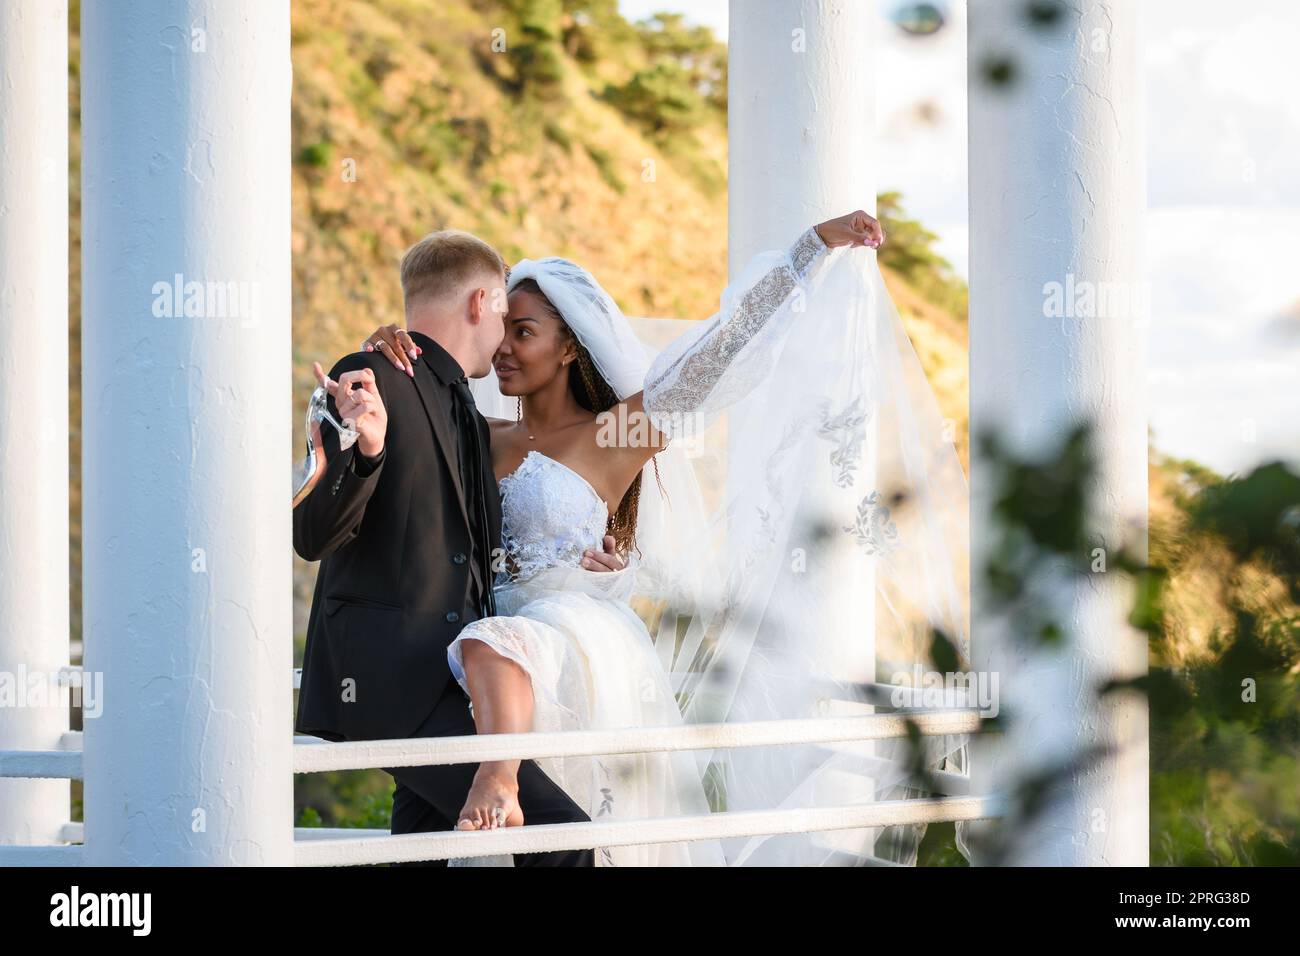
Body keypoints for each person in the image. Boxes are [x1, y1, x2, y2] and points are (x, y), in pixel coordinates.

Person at [352, 209, 974, 867]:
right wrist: (395, 344)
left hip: (569, 645)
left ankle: (499, 777)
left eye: (525, 332)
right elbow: (409, 409)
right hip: (478, 659)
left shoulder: (615, 435)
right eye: (502, 328)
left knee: (546, 791)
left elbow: (718, 354)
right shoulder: (472, 429)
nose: (503, 346)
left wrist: (808, 250)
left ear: (570, 346)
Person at [292, 229, 627, 867]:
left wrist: (586, 569)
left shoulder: (467, 412)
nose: (505, 336)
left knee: (418, 854)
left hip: (447, 680)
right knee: (562, 838)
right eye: (505, 314)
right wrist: (366, 453)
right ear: (482, 302)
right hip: (389, 678)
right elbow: (310, 535)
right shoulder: (364, 379)